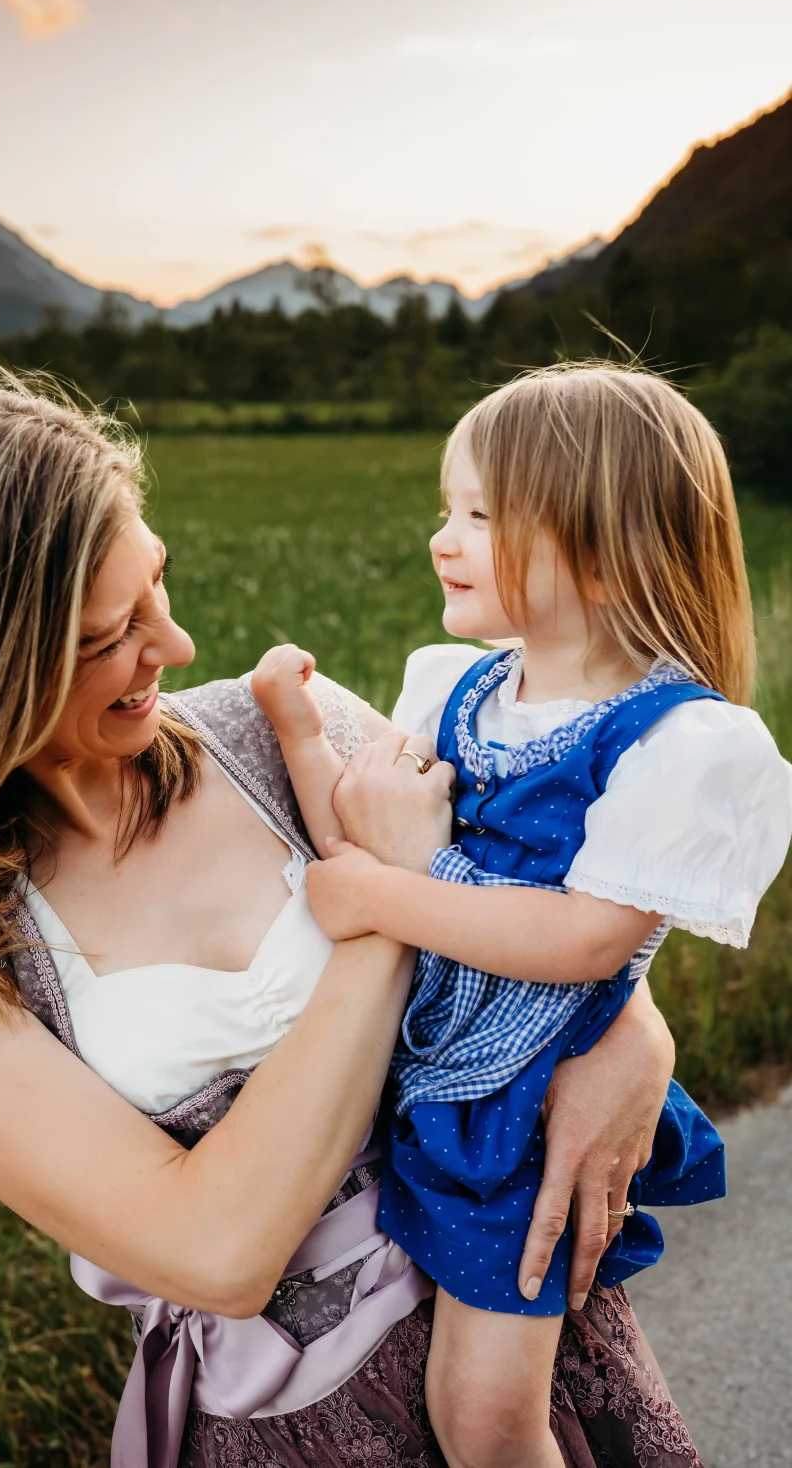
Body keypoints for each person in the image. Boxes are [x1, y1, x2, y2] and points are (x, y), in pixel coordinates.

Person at [0, 370, 702, 1468]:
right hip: (300, 1425)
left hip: (519, 1331)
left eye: (156, 586)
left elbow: (545, 899)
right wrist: (377, 903)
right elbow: (218, 1249)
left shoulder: (284, 727)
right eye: (106, 636)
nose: (173, 649)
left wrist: (634, 1036)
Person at [251, 363, 792, 1468]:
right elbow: (354, 840)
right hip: (416, 1075)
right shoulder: (455, 686)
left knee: (483, 1419)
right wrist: (302, 739)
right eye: (446, 510)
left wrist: (384, 895)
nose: (442, 539)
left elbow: (587, 940)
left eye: (480, 515)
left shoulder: (671, 741)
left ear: (599, 551)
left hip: (525, 1113)